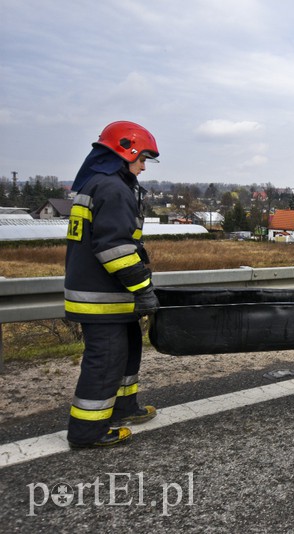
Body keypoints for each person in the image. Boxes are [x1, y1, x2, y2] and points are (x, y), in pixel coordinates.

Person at [64, 121, 160, 449]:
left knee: (128, 351)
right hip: (102, 297)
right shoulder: (113, 189)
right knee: (106, 361)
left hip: (111, 296)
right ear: (126, 151)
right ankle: (87, 433)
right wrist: (143, 288)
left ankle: (123, 407)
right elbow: (115, 249)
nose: (144, 166)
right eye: (143, 158)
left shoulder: (99, 184)